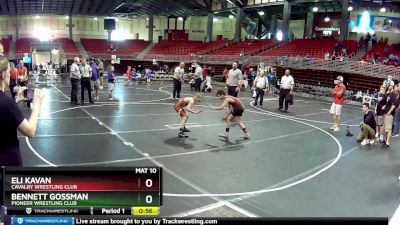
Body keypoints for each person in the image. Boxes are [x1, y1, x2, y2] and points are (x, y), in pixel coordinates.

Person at [0, 53, 45, 166]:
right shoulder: (7, 103)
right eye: (9, 72)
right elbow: (30, 131)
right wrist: (37, 106)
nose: (10, 75)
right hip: (7, 161)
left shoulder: (7, 103)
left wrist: (15, 102)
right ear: (3, 74)